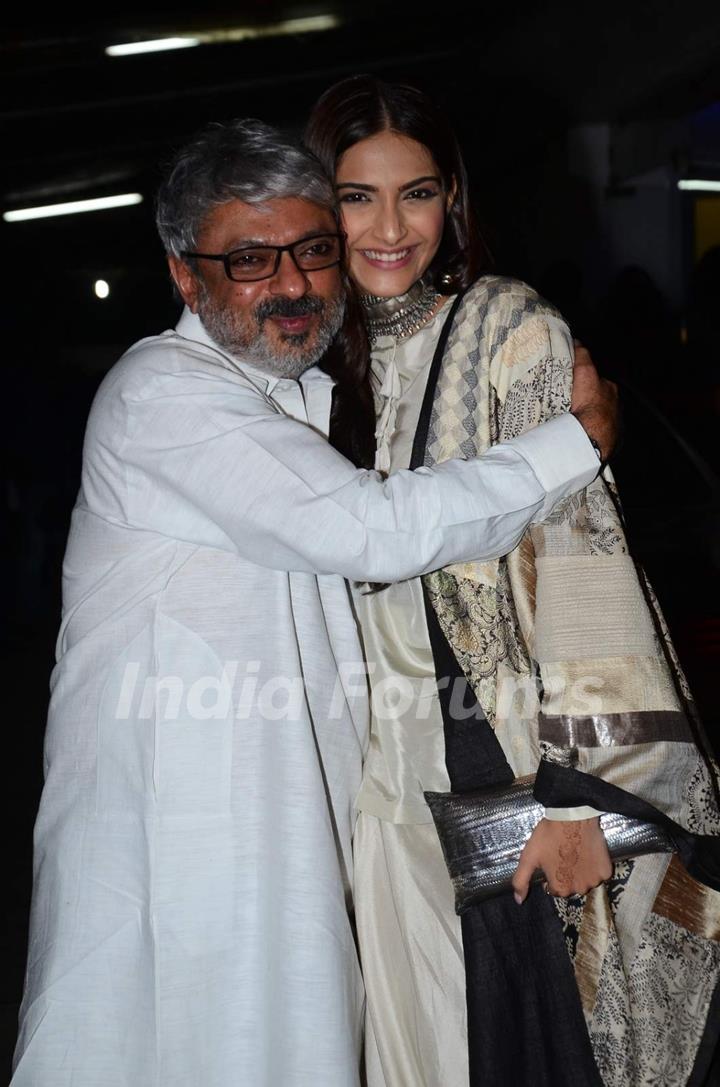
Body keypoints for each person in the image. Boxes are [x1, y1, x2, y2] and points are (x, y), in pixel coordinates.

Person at [11, 119, 612, 1087]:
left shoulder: (289, 397)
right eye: (250, 259)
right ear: (184, 275)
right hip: (193, 823)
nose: (292, 284)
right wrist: (570, 444)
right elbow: (369, 529)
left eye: (312, 251)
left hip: (279, 812)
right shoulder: (163, 392)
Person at [305, 75, 720, 1087]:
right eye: (358, 196)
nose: (390, 226)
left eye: (418, 192)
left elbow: (578, 542)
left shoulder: (507, 328)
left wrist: (579, 800)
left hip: (498, 779)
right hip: (375, 797)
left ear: (453, 202)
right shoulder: (321, 368)